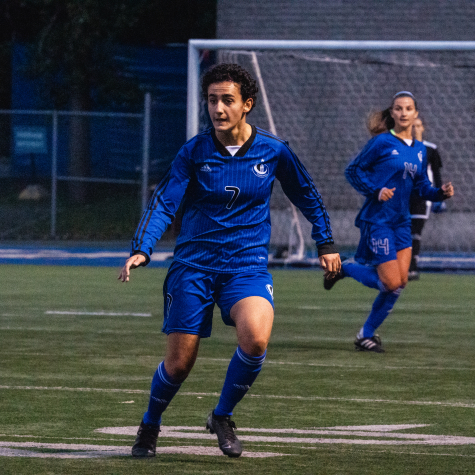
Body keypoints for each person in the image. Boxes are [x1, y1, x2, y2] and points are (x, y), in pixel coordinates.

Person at [119, 63, 341, 458]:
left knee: (255, 339)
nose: (218, 108)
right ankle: (150, 424)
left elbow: (306, 194)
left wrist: (325, 242)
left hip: (246, 266)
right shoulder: (194, 151)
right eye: (211, 100)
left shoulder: (273, 150)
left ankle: (221, 416)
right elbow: (165, 201)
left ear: (247, 105)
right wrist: (143, 247)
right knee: (179, 365)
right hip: (194, 267)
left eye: (227, 100)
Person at [324, 91, 454, 353]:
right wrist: (376, 190)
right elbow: (353, 170)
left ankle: (366, 335)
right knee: (391, 283)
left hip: (401, 222)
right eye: (398, 108)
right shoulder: (382, 142)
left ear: (416, 114)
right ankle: (346, 268)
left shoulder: (420, 150)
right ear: (392, 113)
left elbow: (422, 187)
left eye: (408, 108)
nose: (403, 113)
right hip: (379, 220)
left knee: (400, 283)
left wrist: (439, 193)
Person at [408, 117, 445, 280]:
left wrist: (440, 197)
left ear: (423, 128)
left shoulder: (430, 149)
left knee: (415, 233)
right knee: (401, 233)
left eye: (417, 126)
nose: (415, 129)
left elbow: (436, 174)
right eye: (412, 126)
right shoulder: (401, 148)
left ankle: (412, 269)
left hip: (422, 198)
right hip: (403, 197)